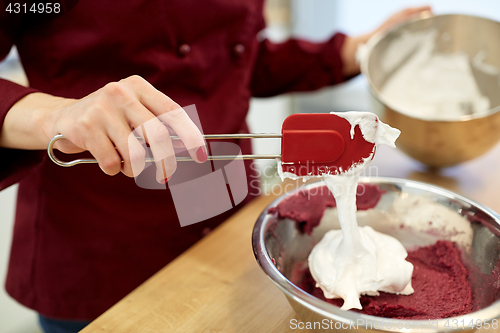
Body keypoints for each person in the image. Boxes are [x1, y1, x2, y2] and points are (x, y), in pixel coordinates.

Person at [0, 2, 430, 332]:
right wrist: (52, 116)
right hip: (104, 251)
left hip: (230, 228)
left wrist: (349, 53)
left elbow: (235, 57)